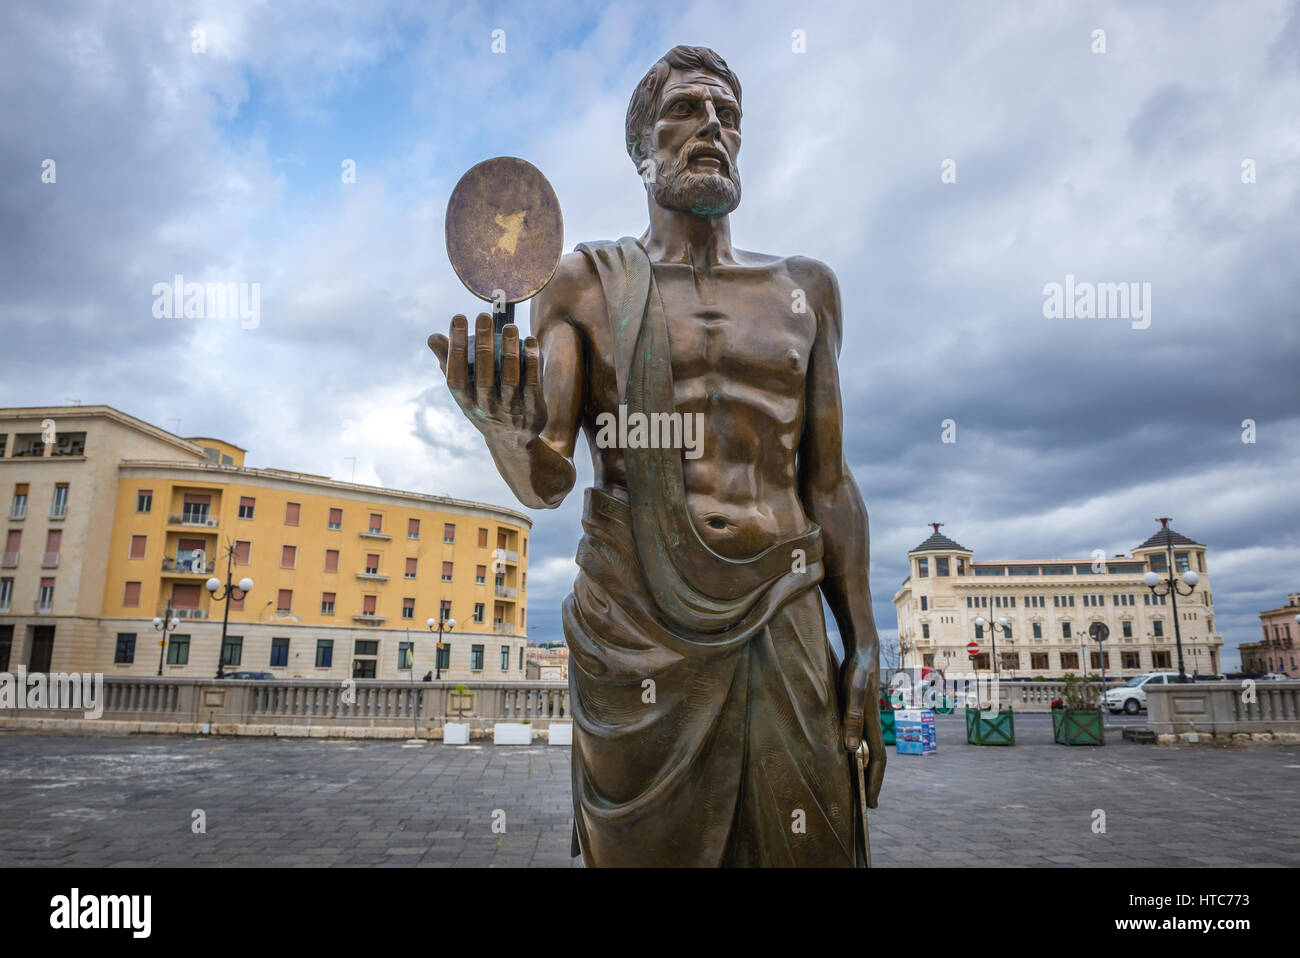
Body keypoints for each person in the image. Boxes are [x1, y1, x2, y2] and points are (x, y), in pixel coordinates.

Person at [430, 45, 884, 866]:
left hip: (784, 614)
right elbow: (548, 475)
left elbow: (831, 481)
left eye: (728, 114)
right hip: (639, 625)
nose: (712, 125)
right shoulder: (583, 285)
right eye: (686, 109)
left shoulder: (805, 290)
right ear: (643, 146)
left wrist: (866, 641)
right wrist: (500, 430)